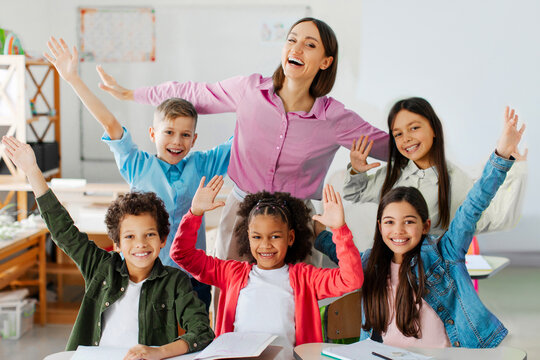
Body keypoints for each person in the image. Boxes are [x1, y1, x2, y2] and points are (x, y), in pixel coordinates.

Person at [95, 17, 389, 263]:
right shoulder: (250, 91)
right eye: (292, 39)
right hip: (241, 214)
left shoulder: (334, 118)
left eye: (309, 45)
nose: (296, 48)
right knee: (231, 301)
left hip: (295, 222)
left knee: (294, 306)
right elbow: (193, 93)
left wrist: (426, 150)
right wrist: (131, 94)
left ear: (326, 61)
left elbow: (392, 146)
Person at [44, 37, 232, 309]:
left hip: (192, 276)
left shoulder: (203, 163)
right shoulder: (137, 164)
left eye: (185, 135)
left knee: (195, 341)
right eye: (169, 133)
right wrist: (72, 78)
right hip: (145, 273)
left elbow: (244, 136)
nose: (177, 142)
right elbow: (109, 122)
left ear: (194, 139)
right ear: (153, 133)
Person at [1, 136, 214, 359]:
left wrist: (159, 351)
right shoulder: (101, 267)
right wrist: (33, 170)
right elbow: (63, 230)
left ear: (163, 239)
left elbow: (202, 331)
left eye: (149, 234)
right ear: (117, 244)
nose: (140, 243)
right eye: (130, 236)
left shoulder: (175, 282)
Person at [359, 110, 522, 348]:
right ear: (379, 226)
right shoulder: (369, 262)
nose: (399, 231)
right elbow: (336, 251)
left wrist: (502, 155)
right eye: (390, 222)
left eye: (409, 221)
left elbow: (473, 207)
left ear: (425, 226)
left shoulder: (444, 253)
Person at [169, 175, 362, 357]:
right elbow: (182, 255)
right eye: (257, 237)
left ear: (291, 238)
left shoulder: (306, 278)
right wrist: (195, 214)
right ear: (248, 237)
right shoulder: (230, 273)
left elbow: (351, 279)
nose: (265, 245)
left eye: (275, 236)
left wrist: (339, 229)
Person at [316, 99, 527, 263]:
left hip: (433, 275)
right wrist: (357, 170)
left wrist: (508, 162)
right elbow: (355, 193)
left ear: (433, 129)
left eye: (414, 128)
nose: (406, 138)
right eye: (398, 134)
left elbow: (485, 216)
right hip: (392, 271)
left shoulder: (453, 180)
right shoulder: (393, 175)